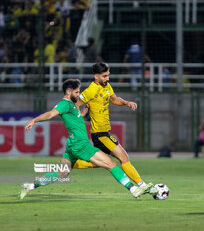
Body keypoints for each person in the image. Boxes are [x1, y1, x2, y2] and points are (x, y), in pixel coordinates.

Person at [19, 79, 152, 199]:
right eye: (76, 92)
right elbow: (50, 114)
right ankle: (134, 189)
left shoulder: (71, 105)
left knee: (62, 172)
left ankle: (30, 186)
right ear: (68, 91)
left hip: (72, 145)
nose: (78, 95)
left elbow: (76, 119)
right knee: (111, 164)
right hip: (80, 145)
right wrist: (34, 120)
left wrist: (84, 111)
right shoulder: (64, 104)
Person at [75, 63, 157, 196]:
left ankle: (69, 165)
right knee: (123, 157)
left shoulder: (106, 86)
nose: (107, 78)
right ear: (96, 76)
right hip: (100, 135)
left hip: (104, 132)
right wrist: (82, 114)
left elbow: (114, 99)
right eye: (104, 76)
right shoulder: (90, 91)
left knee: (99, 163)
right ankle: (142, 185)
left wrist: (126, 103)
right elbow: (75, 106)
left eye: (108, 75)